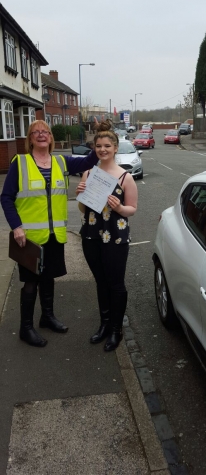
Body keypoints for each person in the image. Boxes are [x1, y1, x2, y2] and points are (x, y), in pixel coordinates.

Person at [1, 120, 100, 347]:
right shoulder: (20, 162)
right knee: (30, 282)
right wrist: (16, 227)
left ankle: (47, 317)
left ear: (51, 137)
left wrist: (98, 136)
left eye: (45, 131)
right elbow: (6, 198)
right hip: (29, 237)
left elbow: (89, 161)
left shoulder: (61, 161)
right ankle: (25, 328)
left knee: (48, 278)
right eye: (35, 132)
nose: (41, 135)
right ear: (30, 138)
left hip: (55, 234)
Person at [76, 120, 138, 352]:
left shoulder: (125, 178)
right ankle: (103, 325)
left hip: (115, 236)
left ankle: (115, 329)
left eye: (107, 146)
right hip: (91, 234)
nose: (102, 150)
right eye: (98, 146)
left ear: (115, 148)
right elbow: (84, 210)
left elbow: (132, 208)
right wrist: (80, 194)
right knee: (101, 281)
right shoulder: (89, 173)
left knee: (115, 283)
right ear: (95, 148)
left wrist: (120, 209)